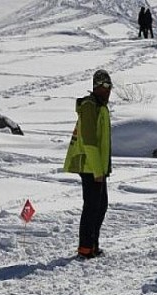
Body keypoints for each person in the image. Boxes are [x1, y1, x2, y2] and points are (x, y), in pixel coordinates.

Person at [63, 69, 113, 259]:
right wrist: (98, 170)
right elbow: (90, 141)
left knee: (100, 205)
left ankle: (92, 244)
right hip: (90, 166)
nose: (106, 90)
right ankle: (86, 247)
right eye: (102, 86)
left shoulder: (100, 106)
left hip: (98, 166)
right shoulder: (90, 106)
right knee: (92, 206)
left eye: (109, 86)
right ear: (95, 87)